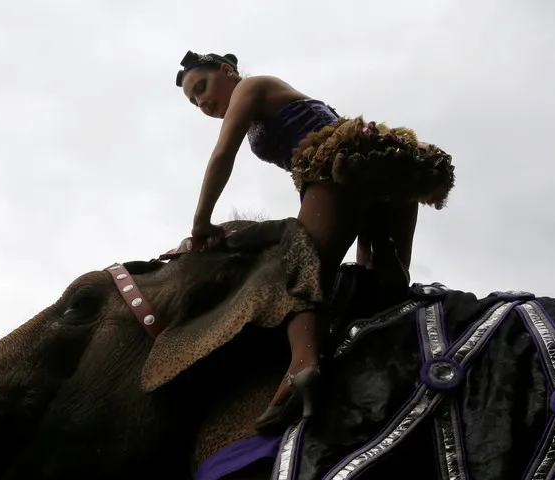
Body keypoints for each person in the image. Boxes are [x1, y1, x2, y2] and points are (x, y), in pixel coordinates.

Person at [175, 50, 455, 431]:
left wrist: (201, 220)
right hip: (373, 168)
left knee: (296, 269)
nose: (202, 103)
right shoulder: (267, 101)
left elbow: (223, 154)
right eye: (194, 102)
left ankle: (301, 367)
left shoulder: (250, 88)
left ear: (227, 71)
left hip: (339, 167)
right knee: (377, 281)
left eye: (202, 87)